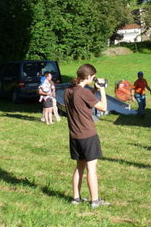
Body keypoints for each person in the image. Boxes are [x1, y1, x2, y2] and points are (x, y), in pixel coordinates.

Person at [64, 64, 109, 209]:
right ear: (89, 77)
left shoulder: (68, 91)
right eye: (93, 76)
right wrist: (102, 90)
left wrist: (94, 90)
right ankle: (95, 201)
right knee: (92, 168)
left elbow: (83, 102)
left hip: (75, 135)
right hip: (88, 135)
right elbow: (103, 107)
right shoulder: (83, 93)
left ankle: (76, 198)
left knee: (79, 167)